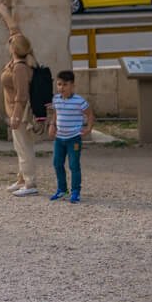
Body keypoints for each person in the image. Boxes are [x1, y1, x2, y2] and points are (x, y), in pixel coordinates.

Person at [0, 0, 39, 196]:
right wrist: (3, 11)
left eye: (11, 42)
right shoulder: (22, 54)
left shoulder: (20, 67)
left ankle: (30, 183)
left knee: (24, 147)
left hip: (20, 112)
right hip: (16, 111)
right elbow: (15, 29)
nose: (9, 41)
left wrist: (15, 115)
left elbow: (22, 95)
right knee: (19, 145)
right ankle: (22, 179)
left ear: (14, 49)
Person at [46, 69, 93, 202]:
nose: (62, 88)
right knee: (57, 163)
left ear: (72, 85)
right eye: (59, 84)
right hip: (59, 138)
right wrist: (52, 125)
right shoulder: (56, 99)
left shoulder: (79, 101)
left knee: (74, 165)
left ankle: (76, 192)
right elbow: (56, 113)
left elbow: (89, 114)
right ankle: (62, 189)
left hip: (74, 139)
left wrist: (88, 128)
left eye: (65, 85)